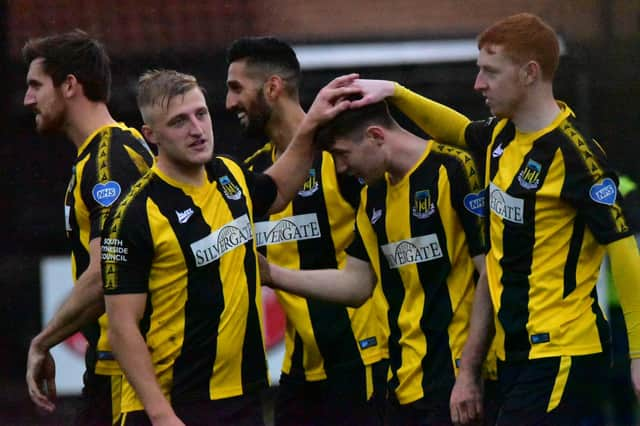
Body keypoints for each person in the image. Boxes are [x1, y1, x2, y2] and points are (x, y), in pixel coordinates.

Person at [349, 12, 640, 425]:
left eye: (490, 71)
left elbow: (624, 249)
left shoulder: (574, 155)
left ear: (529, 73)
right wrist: (395, 92)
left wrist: (639, 354)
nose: (478, 84)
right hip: (511, 355)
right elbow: (459, 130)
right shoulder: (501, 138)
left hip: (562, 352)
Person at [101, 69, 361, 425]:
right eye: (179, 121)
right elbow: (121, 328)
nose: (196, 128)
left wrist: (313, 121)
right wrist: (161, 415)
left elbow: (279, 188)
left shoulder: (228, 175)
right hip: (177, 404)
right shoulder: (133, 214)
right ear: (151, 135)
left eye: (201, 113)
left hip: (243, 396)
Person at [259, 95, 488, 425]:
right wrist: (271, 273)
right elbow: (356, 284)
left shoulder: (453, 170)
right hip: (400, 382)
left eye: (341, 154)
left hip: (454, 383)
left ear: (375, 136)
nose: (341, 167)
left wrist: (469, 372)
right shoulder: (372, 195)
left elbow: (490, 276)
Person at [225, 36, 389, 426]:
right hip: (299, 368)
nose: (229, 103)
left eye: (236, 88)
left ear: (272, 87)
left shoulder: (343, 159)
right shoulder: (260, 177)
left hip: (363, 357)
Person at [23, 30, 154, 425]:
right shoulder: (112, 151)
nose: (28, 100)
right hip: (115, 369)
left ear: (69, 86)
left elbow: (104, 274)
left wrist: (43, 342)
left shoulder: (108, 161)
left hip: (125, 374)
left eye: (35, 85)